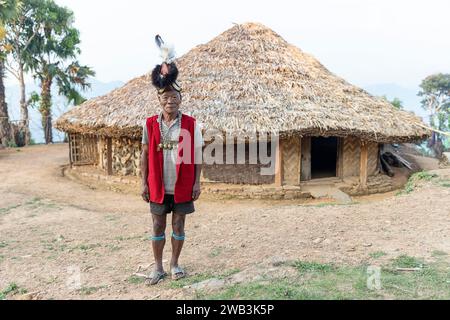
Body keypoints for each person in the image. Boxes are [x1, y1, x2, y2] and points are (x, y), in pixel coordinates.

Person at [140, 36, 203, 285]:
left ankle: (175, 263)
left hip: (182, 184)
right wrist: (143, 183)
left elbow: (196, 155)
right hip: (157, 184)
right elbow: (144, 154)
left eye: (174, 98)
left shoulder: (190, 124)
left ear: (180, 100)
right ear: (159, 100)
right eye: (165, 98)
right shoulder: (149, 124)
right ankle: (158, 267)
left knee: (179, 224)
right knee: (157, 226)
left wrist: (197, 183)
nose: (170, 101)